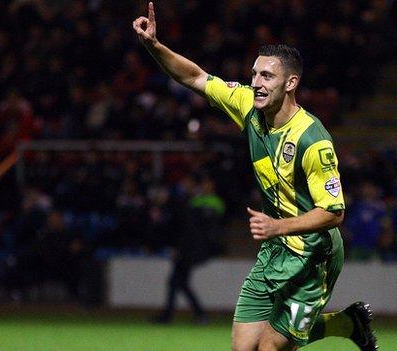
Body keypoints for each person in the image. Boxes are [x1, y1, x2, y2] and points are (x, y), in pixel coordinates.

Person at [133, 3, 378, 351]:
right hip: (275, 249)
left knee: (270, 348)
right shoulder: (247, 105)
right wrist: (154, 46)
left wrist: (277, 226)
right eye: (255, 74)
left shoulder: (313, 139)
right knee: (243, 347)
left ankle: (340, 323)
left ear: (291, 82)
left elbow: (334, 212)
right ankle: (347, 323)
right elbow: (194, 77)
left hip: (314, 256)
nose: (257, 84)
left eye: (267, 76)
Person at [153, 175, 225, 325]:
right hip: (189, 248)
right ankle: (192, 314)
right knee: (178, 282)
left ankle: (174, 315)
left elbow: (194, 228)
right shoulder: (191, 202)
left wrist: (178, 248)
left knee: (176, 281)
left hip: (193, 249)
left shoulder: (205, 203)